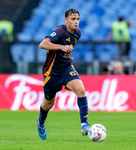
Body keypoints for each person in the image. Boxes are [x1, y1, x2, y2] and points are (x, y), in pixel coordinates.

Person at [37, 8, 90, 140]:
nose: (76, 22)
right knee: (48, 104)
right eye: (73, 19)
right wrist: (61, 47)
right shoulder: (59, 31)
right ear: (66, 20)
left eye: (77, 19)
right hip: (52, 72)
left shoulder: (77, 33)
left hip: (66, 67)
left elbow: (67, 49)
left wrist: (66, 54)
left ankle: (84, 124)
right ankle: (41, 122)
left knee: (81, 90)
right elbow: (42, 44)